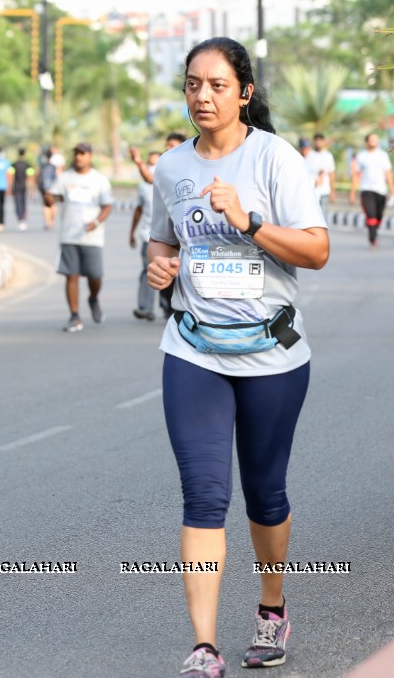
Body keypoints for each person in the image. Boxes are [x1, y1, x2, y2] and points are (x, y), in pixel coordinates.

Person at [146, 37, 329, 678]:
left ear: (244, 92)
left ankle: (272, 606)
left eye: (217, 85)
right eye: (193, 84)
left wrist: (249, 221)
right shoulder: (171, 168)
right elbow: (162, 242)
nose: (202, 95)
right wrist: (159, 268)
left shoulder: (276, 160)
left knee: (264, 493)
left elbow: (315, 251)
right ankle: (204, 646)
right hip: (193, 349)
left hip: (271, 353)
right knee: (202, 495)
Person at [45, 142, 113, 332]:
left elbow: (107, 206)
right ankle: (74, 315)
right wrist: (48, 198)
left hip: (92, 236)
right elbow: (54, 198)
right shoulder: (64, 178)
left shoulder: (99, 180)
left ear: (90, 156)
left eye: (82, 153)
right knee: (71, 276)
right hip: (69, 235)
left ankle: (93, 298)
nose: (79, 157)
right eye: (76, 153)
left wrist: (97, 222)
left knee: (95, 275)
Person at [132, 132, 187, 319]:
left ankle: (169, 307)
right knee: (155, 268)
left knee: (174, 274)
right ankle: (147, 308)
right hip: (154, 235)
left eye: (171, 145)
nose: (167, 149)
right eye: (166, 145)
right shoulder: (163, 170)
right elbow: (148, 181)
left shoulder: (187, 170)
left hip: (184, 240)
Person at [129, 149, 162, 321]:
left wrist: (137, 161)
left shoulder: (167, 177)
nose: (152, 167)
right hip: (147, 235)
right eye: (150, 163)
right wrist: (132, 232)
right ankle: (145, 307)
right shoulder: (144, 185)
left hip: (170, 235)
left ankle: (167, 305)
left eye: (155, 163)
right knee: (148, 268)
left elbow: (151, 177)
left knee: (167, 269)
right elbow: (138, 210)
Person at [350, 133, 394, 249]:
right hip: (366, 190)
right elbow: (356, 175)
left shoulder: (383, 156)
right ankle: (372, 237)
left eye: (375, 139)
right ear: (367, 142)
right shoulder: (361, 156)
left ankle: (374, 231)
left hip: (381, 190)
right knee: (370, 214)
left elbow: (388, 173)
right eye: (371, 140)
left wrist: (393, 190)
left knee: (378, 216)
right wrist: (352, 192)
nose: (374, 141)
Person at [303, 133, 336, 221]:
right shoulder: (308, 155)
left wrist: (333, 190)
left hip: (324, 190)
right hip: (311, 190)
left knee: (322, 216)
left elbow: (331, 174)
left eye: (320, 140)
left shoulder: (328, 156)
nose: (318, 142)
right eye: (316, 140)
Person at [39, 145, 66, 230]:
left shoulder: (43, 166)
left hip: (46, 188)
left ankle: (48, 222)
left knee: (47, 205)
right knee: (52, 205)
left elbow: (39, 177)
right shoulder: (54, 167)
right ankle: (51, 222)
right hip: (52, 188)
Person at [11, 148, 35, 231]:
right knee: (23, 203)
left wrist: (9, 187)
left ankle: (20, 218)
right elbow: (30, 177)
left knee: (18, 203)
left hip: (16, 186)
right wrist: (32, 189)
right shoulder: (28, 165)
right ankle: (23, 219)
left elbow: (10, 176)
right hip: (24, 187)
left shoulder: (14, 164)